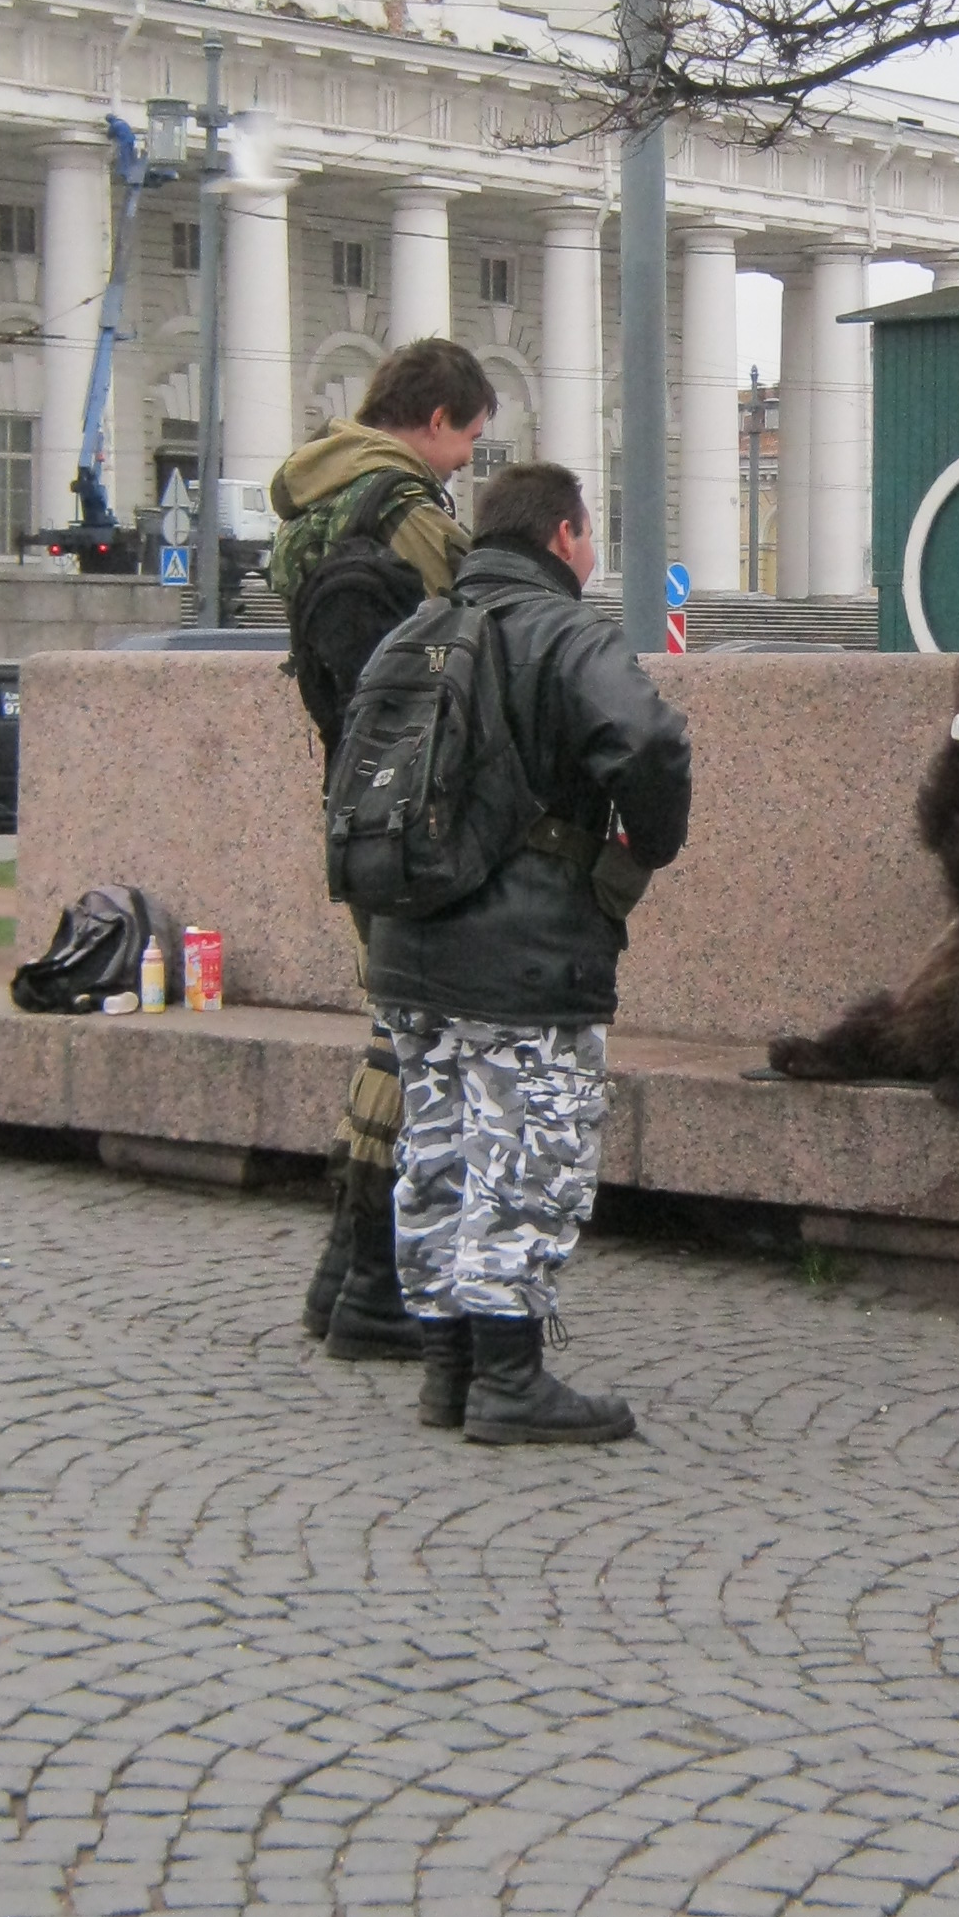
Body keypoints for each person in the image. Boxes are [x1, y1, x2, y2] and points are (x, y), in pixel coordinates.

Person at [368, 459, 692, 1444]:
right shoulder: (566, 633)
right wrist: (646, 846)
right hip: (528, 956)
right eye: (590, 534)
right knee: (530, 1154)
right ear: (563, 536)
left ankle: (449, 1374)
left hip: (409, 945)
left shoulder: (417, 627)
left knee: (436, 1152)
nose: (592, 552)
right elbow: (649, 744)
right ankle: (510, 1382)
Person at [267, 337, 498, 1360]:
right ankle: (374, 1284)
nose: (469, 459)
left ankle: (346, 1276)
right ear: (436, 418)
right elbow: (491, 622)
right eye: (470, 437)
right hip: (414, 804)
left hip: (351, 791)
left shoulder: (317, 498)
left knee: (396, 1025)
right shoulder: (402, 508)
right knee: (414, 1035)